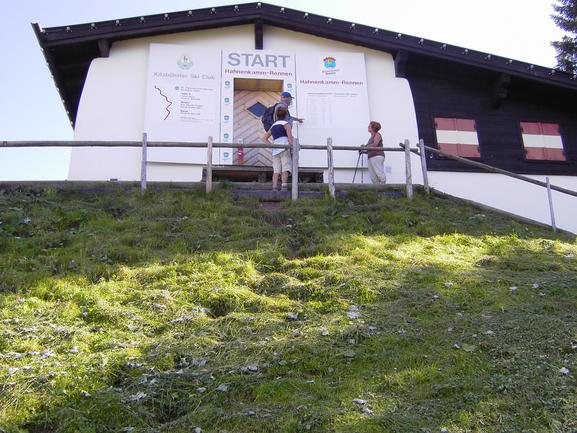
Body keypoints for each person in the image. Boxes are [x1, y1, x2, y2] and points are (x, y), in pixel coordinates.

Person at [263, 106, 293, 192]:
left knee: (276, 170)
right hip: (284, 148)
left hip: (275, 149)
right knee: (285, 168)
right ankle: (284, 187)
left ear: (277, 115)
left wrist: (272, 146)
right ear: (286, 115)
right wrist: (294, 146)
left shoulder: (273, 126)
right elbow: (290, 139)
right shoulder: (286, 124)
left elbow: (264, 138)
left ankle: (274, 187)